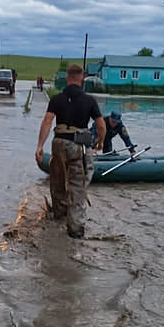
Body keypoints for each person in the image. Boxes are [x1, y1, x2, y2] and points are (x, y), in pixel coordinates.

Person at [35, 64, 106, 239]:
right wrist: (101, 142)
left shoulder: (56, 99)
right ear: (82, 78)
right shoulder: (89, 100)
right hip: (77, 147)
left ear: (67, 78)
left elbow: (47, 122)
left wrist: (39, 146)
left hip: (58, 144)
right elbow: (101, 125)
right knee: (77, 188)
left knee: (57, 184)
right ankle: (75, 231)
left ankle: (58, 218)